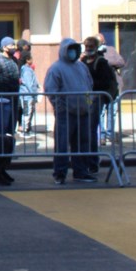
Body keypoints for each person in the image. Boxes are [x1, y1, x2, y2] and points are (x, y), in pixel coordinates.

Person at [44, 38, 95, 184]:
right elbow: (51, 90)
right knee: (62, 144)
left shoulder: (81, 67)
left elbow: (88, 86)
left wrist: (89, 104)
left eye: (74, 48)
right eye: (70, 49)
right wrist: (59, 107)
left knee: (82, 143)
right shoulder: (56, 68)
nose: (72, 52)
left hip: (83, 112)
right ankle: (60, 173)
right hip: (66, 113)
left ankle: (81, 171)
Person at [81, 35, 117, 173]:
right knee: (85, 130)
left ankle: (93, 161)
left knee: (91, 129)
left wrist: (91, 85)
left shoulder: (101, 62)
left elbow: (105, 82)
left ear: (96, 47)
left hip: (96, 97)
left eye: (91, 46)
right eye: (86, 46)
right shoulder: (83, 61)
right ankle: (87, 159)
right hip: (85, 97)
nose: (88, 49)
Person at [97, 32, 125, 145]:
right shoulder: (93, 53)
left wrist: (108, 63)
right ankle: (102, 135)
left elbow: (121, 62)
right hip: (100, 86)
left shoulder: (111, 50)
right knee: (101, 112)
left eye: (101, 41)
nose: (100, 44)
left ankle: (110, 134)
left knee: (112, 112)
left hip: (114, 86)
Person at [18, 50, 40, 135]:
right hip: (27, 96)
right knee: (26, 113)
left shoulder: (28, 69)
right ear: (27, 59)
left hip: (29, 96)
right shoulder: (27, 70)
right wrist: (34, 94)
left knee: (30, 113)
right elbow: (29, 84)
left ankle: (28, 129)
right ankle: (24, 131)